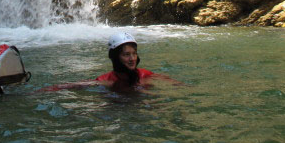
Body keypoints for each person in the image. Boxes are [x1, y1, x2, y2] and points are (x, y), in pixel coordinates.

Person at [40, 32, 182, 92]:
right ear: (116, 57)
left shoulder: (145, 74)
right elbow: (75, 85)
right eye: (126, 55)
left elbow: (175, 83)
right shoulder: (106, 80)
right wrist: (47, 90)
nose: (132, 59)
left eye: (134, 53)